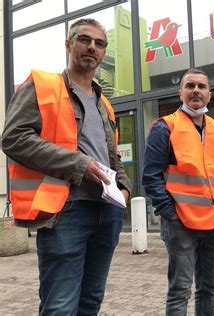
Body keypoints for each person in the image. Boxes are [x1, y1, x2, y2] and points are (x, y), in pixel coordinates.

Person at [2, 18, 132, 315]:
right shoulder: (42, 86)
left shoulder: (104, 103)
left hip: (107, 212)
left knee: (90, 302)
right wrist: (79, 164)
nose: (92, 47)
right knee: (60, 306)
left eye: (99, 43)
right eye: (84, 40)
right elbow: (13, 138)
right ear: (68, 44)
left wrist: (124, 187)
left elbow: (113, 157)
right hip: (66, 211)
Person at [142, 68, 214, 315]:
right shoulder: (165, 127)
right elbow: (150, 176)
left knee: (208, 288)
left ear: (209, 95)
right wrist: (170, 213)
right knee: (180, 290)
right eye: (190, 86)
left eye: (201, 86)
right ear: (180, 92)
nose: (196, 91)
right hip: (180, 223)